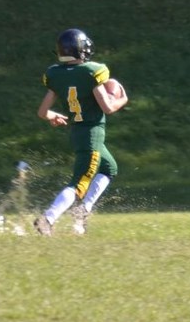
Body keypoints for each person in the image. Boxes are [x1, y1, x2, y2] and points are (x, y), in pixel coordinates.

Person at [34, 28, 128, 236]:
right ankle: (48, 218)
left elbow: (42, 112)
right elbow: (108, 108)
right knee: (79, 184)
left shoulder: (55, 74)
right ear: (80, 50)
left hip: (77, 133)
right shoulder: (90, 72)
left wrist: (53, 116)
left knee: (109, 168)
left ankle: (83, 210)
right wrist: (123, 98)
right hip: (92, 134)